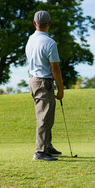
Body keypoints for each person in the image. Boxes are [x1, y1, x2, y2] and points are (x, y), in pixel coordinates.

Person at [25, 10, 64, 162]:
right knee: (44, 118)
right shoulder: (50, 43)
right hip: (43, 81)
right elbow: (54, 68)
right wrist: (60, 89)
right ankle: (40, 152)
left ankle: (47, 145)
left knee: (47, 116)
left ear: (34, 23)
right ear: (49, 23)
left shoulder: (30, 40)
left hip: (33, 80)